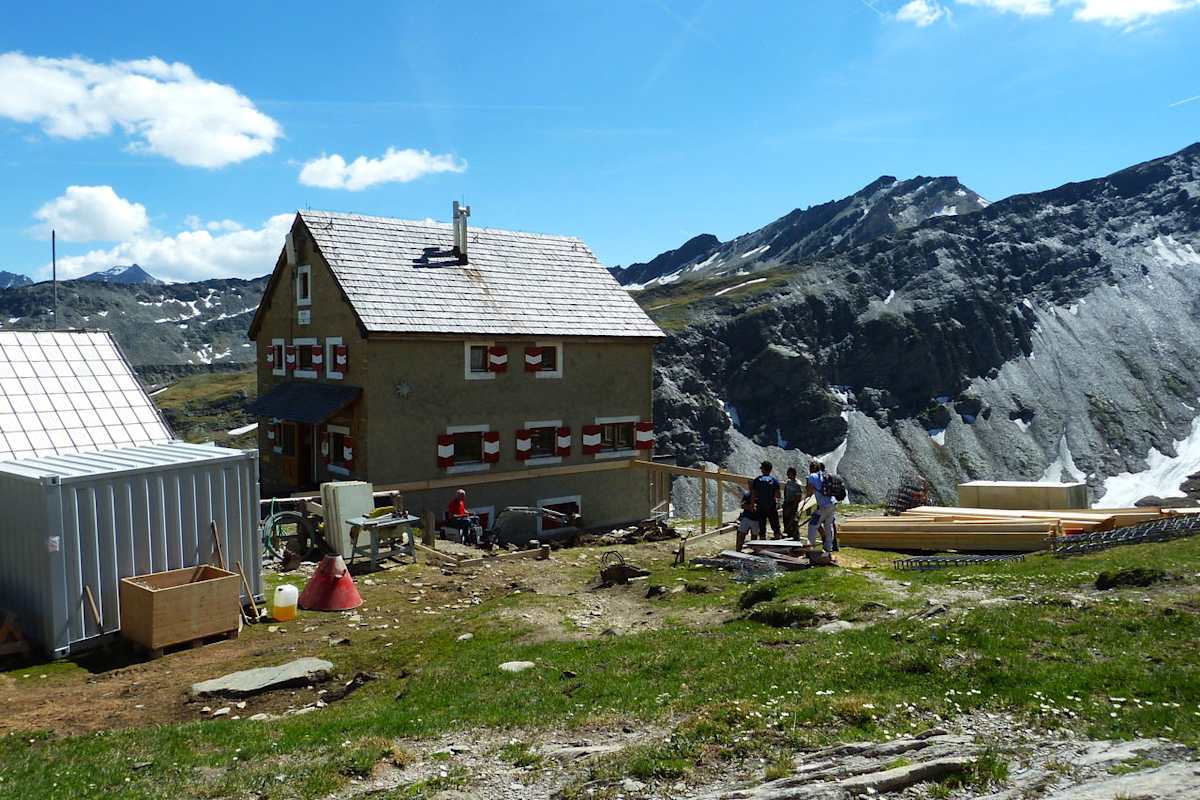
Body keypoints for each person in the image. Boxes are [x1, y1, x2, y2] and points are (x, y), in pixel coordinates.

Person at [803, 459, 837, 555]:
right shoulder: (826, 475)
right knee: (828, 525)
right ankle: (828, 547)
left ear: (812, 468)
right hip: (832, 503)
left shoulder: (812, 476)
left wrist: (807, 494)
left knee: (812, 525)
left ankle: (810, 547)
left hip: (823, 505)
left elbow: (809, 491)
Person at [751, 460, 782, 539]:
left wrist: (753, 505)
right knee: (776, 527)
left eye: (761, 467)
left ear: (763, 469)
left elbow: (754, 494)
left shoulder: (757, 480)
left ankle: (762, 544)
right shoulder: (774, 481)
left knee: (762, 528)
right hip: (771, 506)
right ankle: (778, 543)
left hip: (760, 507)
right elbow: (778, 495)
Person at [736, 482, 759, 551]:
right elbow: (742, 505)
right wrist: (749, 507)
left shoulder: (759, 495)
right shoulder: (747, 494)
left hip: (756, 519)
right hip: (747, 518)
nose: (749, 486)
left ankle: (753, 551)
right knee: (741, 535)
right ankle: (738, 550)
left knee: (754, 537)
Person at [782, 466, 803, 539]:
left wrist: (793, 507)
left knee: (793, 522)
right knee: (786, 521)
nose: (787, 474)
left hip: (793, 505)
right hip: (787, 503)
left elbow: (798, 497)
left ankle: (795, 537)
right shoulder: (788, 482)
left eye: (788, 472)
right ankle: (787, 536)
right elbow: (785, 492)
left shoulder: (797, 484)